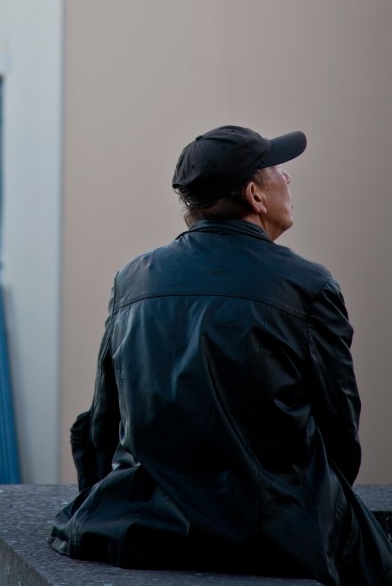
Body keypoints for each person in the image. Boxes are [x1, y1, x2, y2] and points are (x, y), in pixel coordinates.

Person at [48, 125, 392, 585]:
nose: (287, 177)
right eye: (278, 169)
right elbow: (341, 437)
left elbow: (104, 422)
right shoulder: (307, 285)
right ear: (255, 194)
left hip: (143, 527)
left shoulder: (133, 277)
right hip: (274, 534)